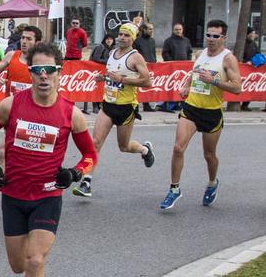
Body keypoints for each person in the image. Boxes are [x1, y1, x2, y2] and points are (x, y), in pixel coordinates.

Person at [0, 42, 95, 277]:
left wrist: (73, 174)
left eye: (50, 70)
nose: (43, 76)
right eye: (37, 70)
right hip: (14, 196)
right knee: (18, 265)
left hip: (47, 196)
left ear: (60, 72)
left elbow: (90, 156)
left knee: (35, 260)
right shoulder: (11, 105)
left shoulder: (71, 114)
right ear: (29, 72)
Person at [160, 18, 242, 210]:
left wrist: (214, 81)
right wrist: (186, 85)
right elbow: (193, 73)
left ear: (223, 37)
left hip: (212, 112)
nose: (211, 39)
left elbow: (237, 87)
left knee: (209, 154)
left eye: (215, 36)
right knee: (178, 148)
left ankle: (212, 182)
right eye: (208, 35)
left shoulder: (228, 58)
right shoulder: (201, 53)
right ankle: (174, 189)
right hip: (191, 108)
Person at [75, 22, 154, 196]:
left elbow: (147, 82)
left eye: (127, 35)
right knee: (95, 143)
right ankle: (86, 182)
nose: (122, 38)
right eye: (121, 34)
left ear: (133, 38)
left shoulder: (136, 57)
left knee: (124, 146)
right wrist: (102, 78)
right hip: (108, 105)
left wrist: (122, 80)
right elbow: (113, 75)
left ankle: (145, 149)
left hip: (126, 107)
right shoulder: (112, 53)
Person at [0, 23, 41, 213]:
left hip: (31, 116)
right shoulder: (11, 56)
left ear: (37, 42)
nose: (24, 42)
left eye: (29, 39)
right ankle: (23, 190)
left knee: (6, 153)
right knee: (9, 154)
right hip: (11, 113)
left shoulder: (38, 63)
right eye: (23, 38)